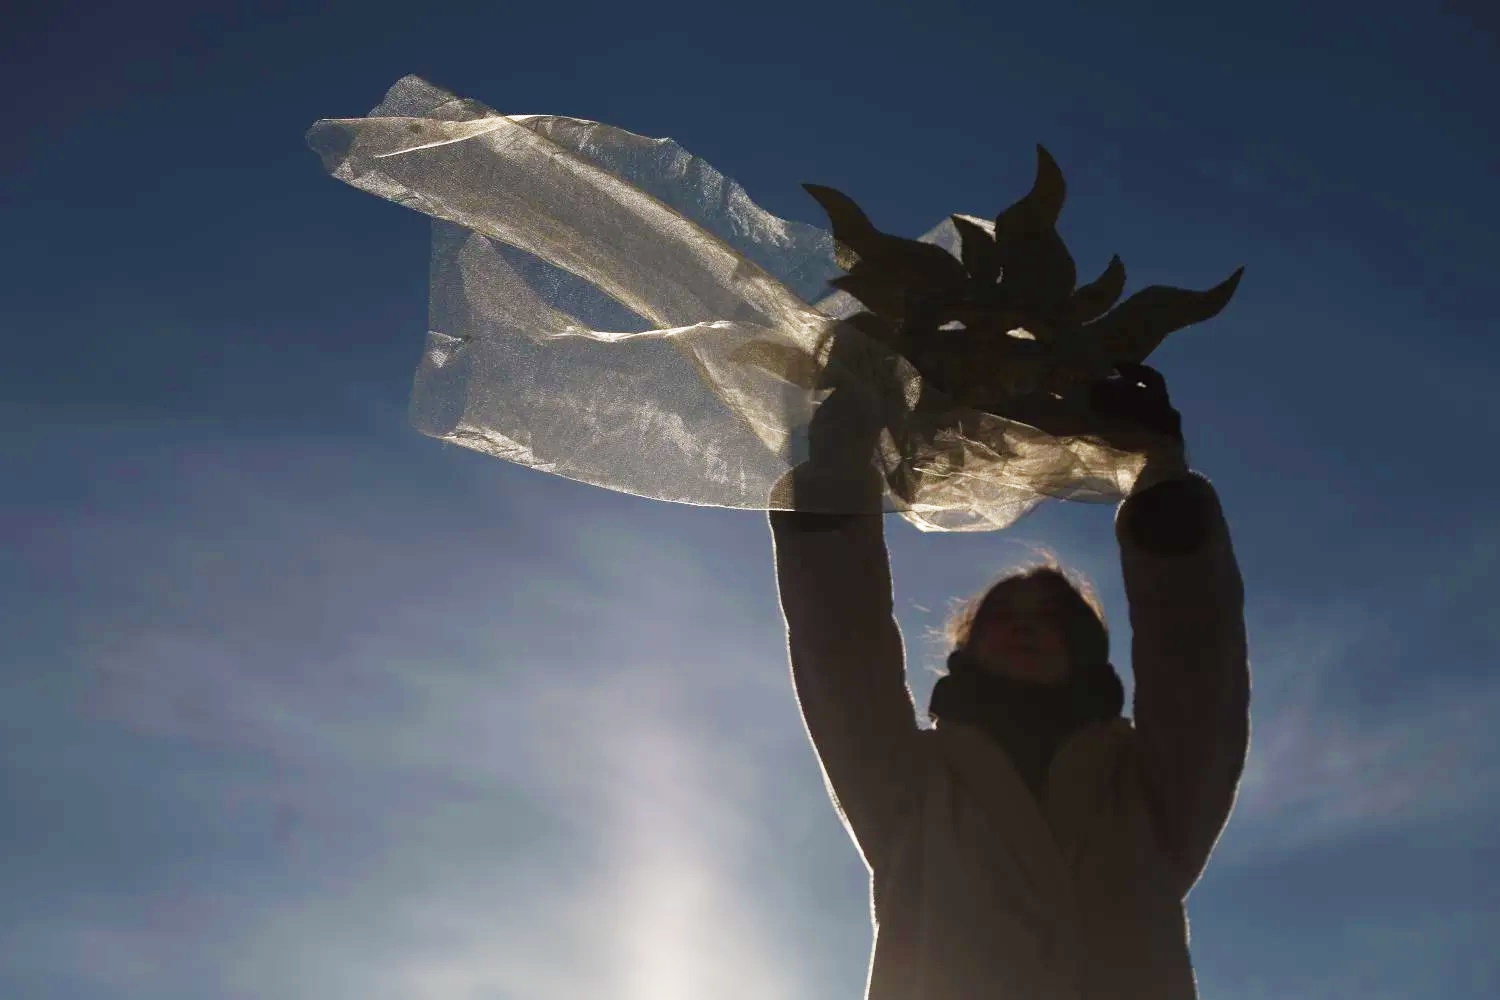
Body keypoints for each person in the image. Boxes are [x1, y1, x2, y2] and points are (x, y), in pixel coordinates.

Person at [769, 364, 1249, 1000]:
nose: (1027, 628)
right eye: (1004, 616)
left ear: (1086, 652)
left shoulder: (1148, 787)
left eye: (1054, 619)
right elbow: (842, 657)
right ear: (967, 648)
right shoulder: (913, 786)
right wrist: (835, 480)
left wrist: (1162, 480)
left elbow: (1197, 662)